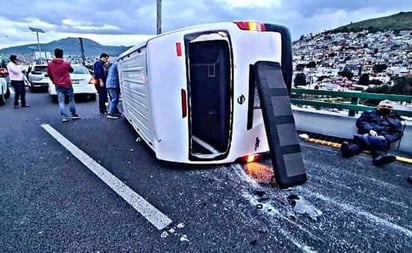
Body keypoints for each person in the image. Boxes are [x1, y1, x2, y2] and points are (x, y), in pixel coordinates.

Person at [341, 99, 403, 166]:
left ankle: (379, 159)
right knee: (357, 145)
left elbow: (398, 133)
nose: (386, 108)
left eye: (389, 107)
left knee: (380, 150)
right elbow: (360, 122)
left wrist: (386, 138)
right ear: (378, 107)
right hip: (366, 136)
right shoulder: (368, 113)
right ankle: (347, 151)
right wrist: (370, 129)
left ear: (392, 109)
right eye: (384, 106)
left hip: (381, 140)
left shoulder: (396, 120)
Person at [47, 48, 80, 122]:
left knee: (61, 101)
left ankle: (64, 117)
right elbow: (71, 70)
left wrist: (54, 81)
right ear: (62, 54)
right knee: (71, 100)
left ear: (55, 54)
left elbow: (49, 74)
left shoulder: (50, 64)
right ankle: (73, 114)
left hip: (58, 84)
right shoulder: (66, 63)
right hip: (67, 83)